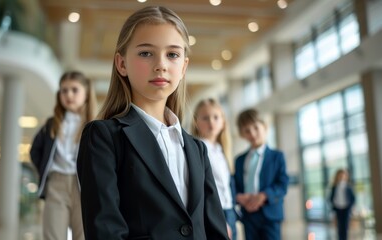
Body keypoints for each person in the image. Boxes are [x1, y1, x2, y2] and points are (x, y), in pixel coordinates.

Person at [76, 6, 229, 240]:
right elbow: (104, 231)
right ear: (122, 64)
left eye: (173, 55)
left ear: (184, 67)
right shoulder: (103, 137)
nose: (161, 65)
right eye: (146, 53)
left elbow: (215, 231)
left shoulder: (197, 149)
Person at [30, 71, 96, 240]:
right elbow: (35, 151)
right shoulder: (52, 123)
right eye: (64, 90)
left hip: (85, 186)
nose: (68, 95)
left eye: (74, 90)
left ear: (86, 93)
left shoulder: (96, 125)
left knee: (84, 235)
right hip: (56, 184)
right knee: (53, 235)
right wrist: (46, 170)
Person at [233, 108, 289, 240]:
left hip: (270, 214)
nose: (252, 133)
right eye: (247, 131)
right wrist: (239, 197)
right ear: (242, 134)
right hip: (248, 215)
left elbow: (282, 184)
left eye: (256, 128)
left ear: (265, 127)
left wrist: (263, 196)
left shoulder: (277, 156)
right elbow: (235, 184)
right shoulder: (240, 160)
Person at [192, 98, 237, 240]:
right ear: (196, 122)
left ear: (223, 122)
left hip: (229, 210)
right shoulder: (198, 148)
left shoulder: (221, 150)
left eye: (216, 117)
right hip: (214, 211)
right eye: (205, 118)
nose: (211, 122)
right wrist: (220, 219)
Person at [329, 169, 355, 240]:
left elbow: (352, 198)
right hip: (338, 208)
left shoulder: (348, 186)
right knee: (339, 225)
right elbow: (331, 198)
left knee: (345, 225)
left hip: (346, 208)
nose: (342, 176)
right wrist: (333, 206)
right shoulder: (334, 187)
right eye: (340, 175)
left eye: (343, 175)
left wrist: (351, 207)